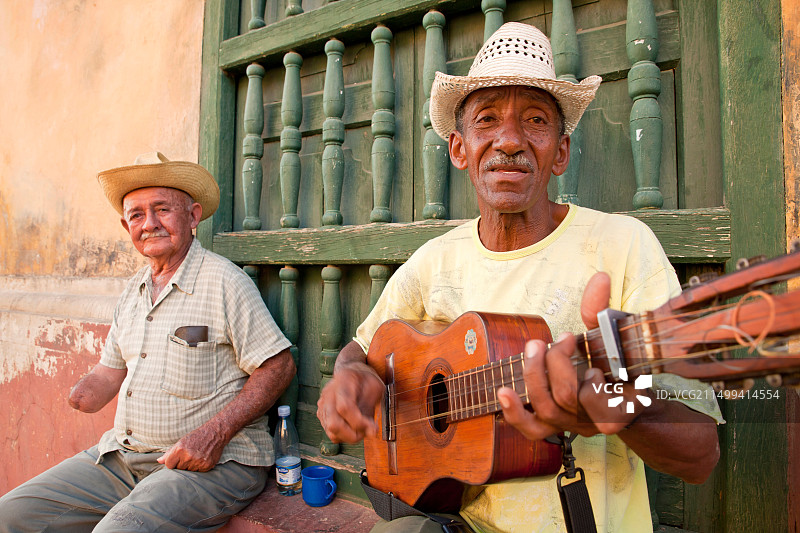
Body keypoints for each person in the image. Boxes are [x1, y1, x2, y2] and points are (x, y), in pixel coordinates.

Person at [316, 22, 722, 533]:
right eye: (487, 119)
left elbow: (701, 454)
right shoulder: (433, 261)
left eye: (534, 120)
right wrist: (349, 375)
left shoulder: (622, 246)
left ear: (561, 152)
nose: (509, 140)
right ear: (459, 149)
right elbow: (361, 350)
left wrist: (619, 407)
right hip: (455, 519)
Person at [0, 152, 296, 532]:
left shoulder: (224, 281)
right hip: (123, 457)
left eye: (162, 210)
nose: (150, 224)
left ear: (192, 216)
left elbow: (278, 366)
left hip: (213, 461)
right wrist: (81, 393)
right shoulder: (133, 290)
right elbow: (109, 371)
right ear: (127, 226)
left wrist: (214, 434)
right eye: (137, 215)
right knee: (10, 516)